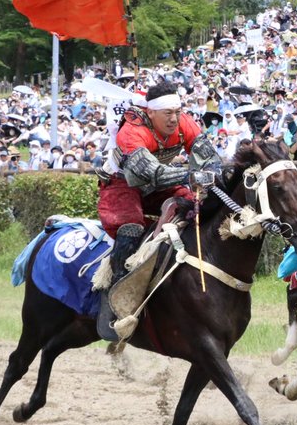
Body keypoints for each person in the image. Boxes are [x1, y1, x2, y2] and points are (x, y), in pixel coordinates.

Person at [94, 81, 222, 340]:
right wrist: (193, 174)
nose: (175, 119)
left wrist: (212, 174)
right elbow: (152, 173)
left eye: (178, 111)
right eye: (168, 114)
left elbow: (210, 157)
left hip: (160, 186)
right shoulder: (131, 131)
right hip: (121, 184)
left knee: (195, 207)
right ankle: (116, 296)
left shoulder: (184, 122)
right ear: (151, 112)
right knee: (131, 226)